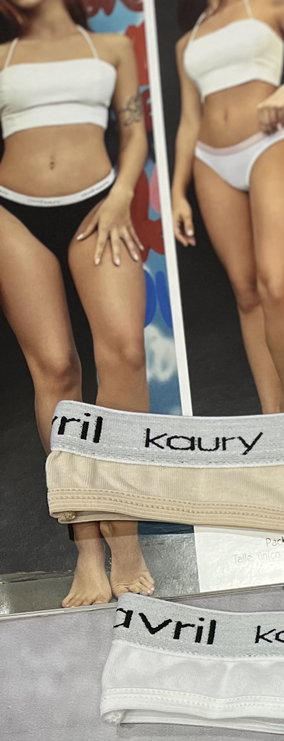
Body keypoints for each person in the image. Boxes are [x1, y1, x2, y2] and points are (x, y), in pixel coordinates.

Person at [0, 0, 153, 606]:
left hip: (99, 203)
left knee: (126, 354)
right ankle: (86, 549)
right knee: (57, 370)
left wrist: (120, 197)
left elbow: (134, 133)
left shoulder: (110, 48)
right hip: (12, 213)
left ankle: (127, 539)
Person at [171, 0, 284, 413]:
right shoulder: (186, 41)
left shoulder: (274, 5)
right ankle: (272, 418)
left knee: (277, 285)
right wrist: (177, 191)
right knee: (246, 294)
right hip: (209, 160)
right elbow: (190, 119)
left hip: (268, 145)